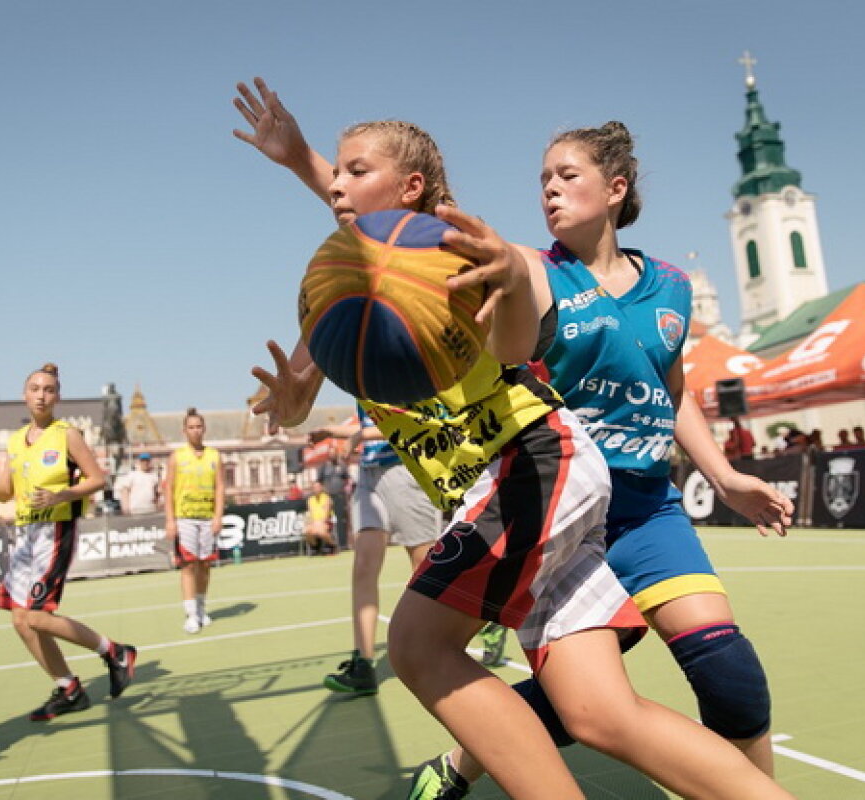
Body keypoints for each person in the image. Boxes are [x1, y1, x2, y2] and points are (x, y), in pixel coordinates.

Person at [234, 77, 794, 800]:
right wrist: (291, 399)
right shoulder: (346, 285)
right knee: (597, 713)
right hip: (538, 481)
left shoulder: (452, 252)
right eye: (333, 173)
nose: (337, 184)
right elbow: (309, 378)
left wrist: (305, 162)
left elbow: (505, 326)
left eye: (354, 171)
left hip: (530, 466)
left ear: (412, 190)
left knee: (416, 645)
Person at [405, 119, 797, 797]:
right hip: (561, 513)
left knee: (729, 672)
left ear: (616, 188)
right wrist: (316, 169)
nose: (550, 190)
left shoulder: (671, 286)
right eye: (543, 181)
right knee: (582, 700)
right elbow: (418, 224)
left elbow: (671, 394)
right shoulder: (530, 269)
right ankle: (460, 765)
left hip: (647, 511)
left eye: (567, 175)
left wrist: (725, 475)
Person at [0, 363, 136, 722]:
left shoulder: (67, 434)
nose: (42, 395)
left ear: (57, 397)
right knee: (20, 620)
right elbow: (3, 493)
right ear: (24, 395)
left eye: (49, 389)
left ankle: (115, 652)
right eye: (35, 388)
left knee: (38, 616)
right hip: (27, 535)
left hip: (57, 530)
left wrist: (61, 496)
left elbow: (98, 479)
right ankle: (69, 687)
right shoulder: (15, 440)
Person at [312, 406, 442, 694]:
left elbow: (415, 419)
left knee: (425, 567)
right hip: (369, 474)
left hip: (405, 468)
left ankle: (447, 643)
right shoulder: (359, 373)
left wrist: (360, 435)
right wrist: (335, 432)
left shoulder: (404, 363)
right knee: (364, 566)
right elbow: (373, 424)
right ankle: (363, 664)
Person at [164, 407, 224, 634]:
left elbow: (220, 487)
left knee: (205, 564)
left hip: (207, 517)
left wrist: (218, 516)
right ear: (184, 430)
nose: (195, 431)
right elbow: (168, 488)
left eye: (199, 427)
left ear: (204, 429)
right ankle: (190, 614)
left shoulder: (214, 456)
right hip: (185, 517)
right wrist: (170, 520)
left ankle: (201, 607)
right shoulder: (176, 457)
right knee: (188, 565)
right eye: (191, 427)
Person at [304, 479, 337, 555]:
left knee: (320, 531)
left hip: (326, 522)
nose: (316, 489)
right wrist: (311, 522)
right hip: (315, 523)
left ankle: (332, 545)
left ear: (321, 487)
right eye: (314, 487)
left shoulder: (327, 498)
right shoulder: (310, 500)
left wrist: (320, 522)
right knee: (307, 531)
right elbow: (310, 514)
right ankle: (315, 547)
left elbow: (326, 514)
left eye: (318, 487)